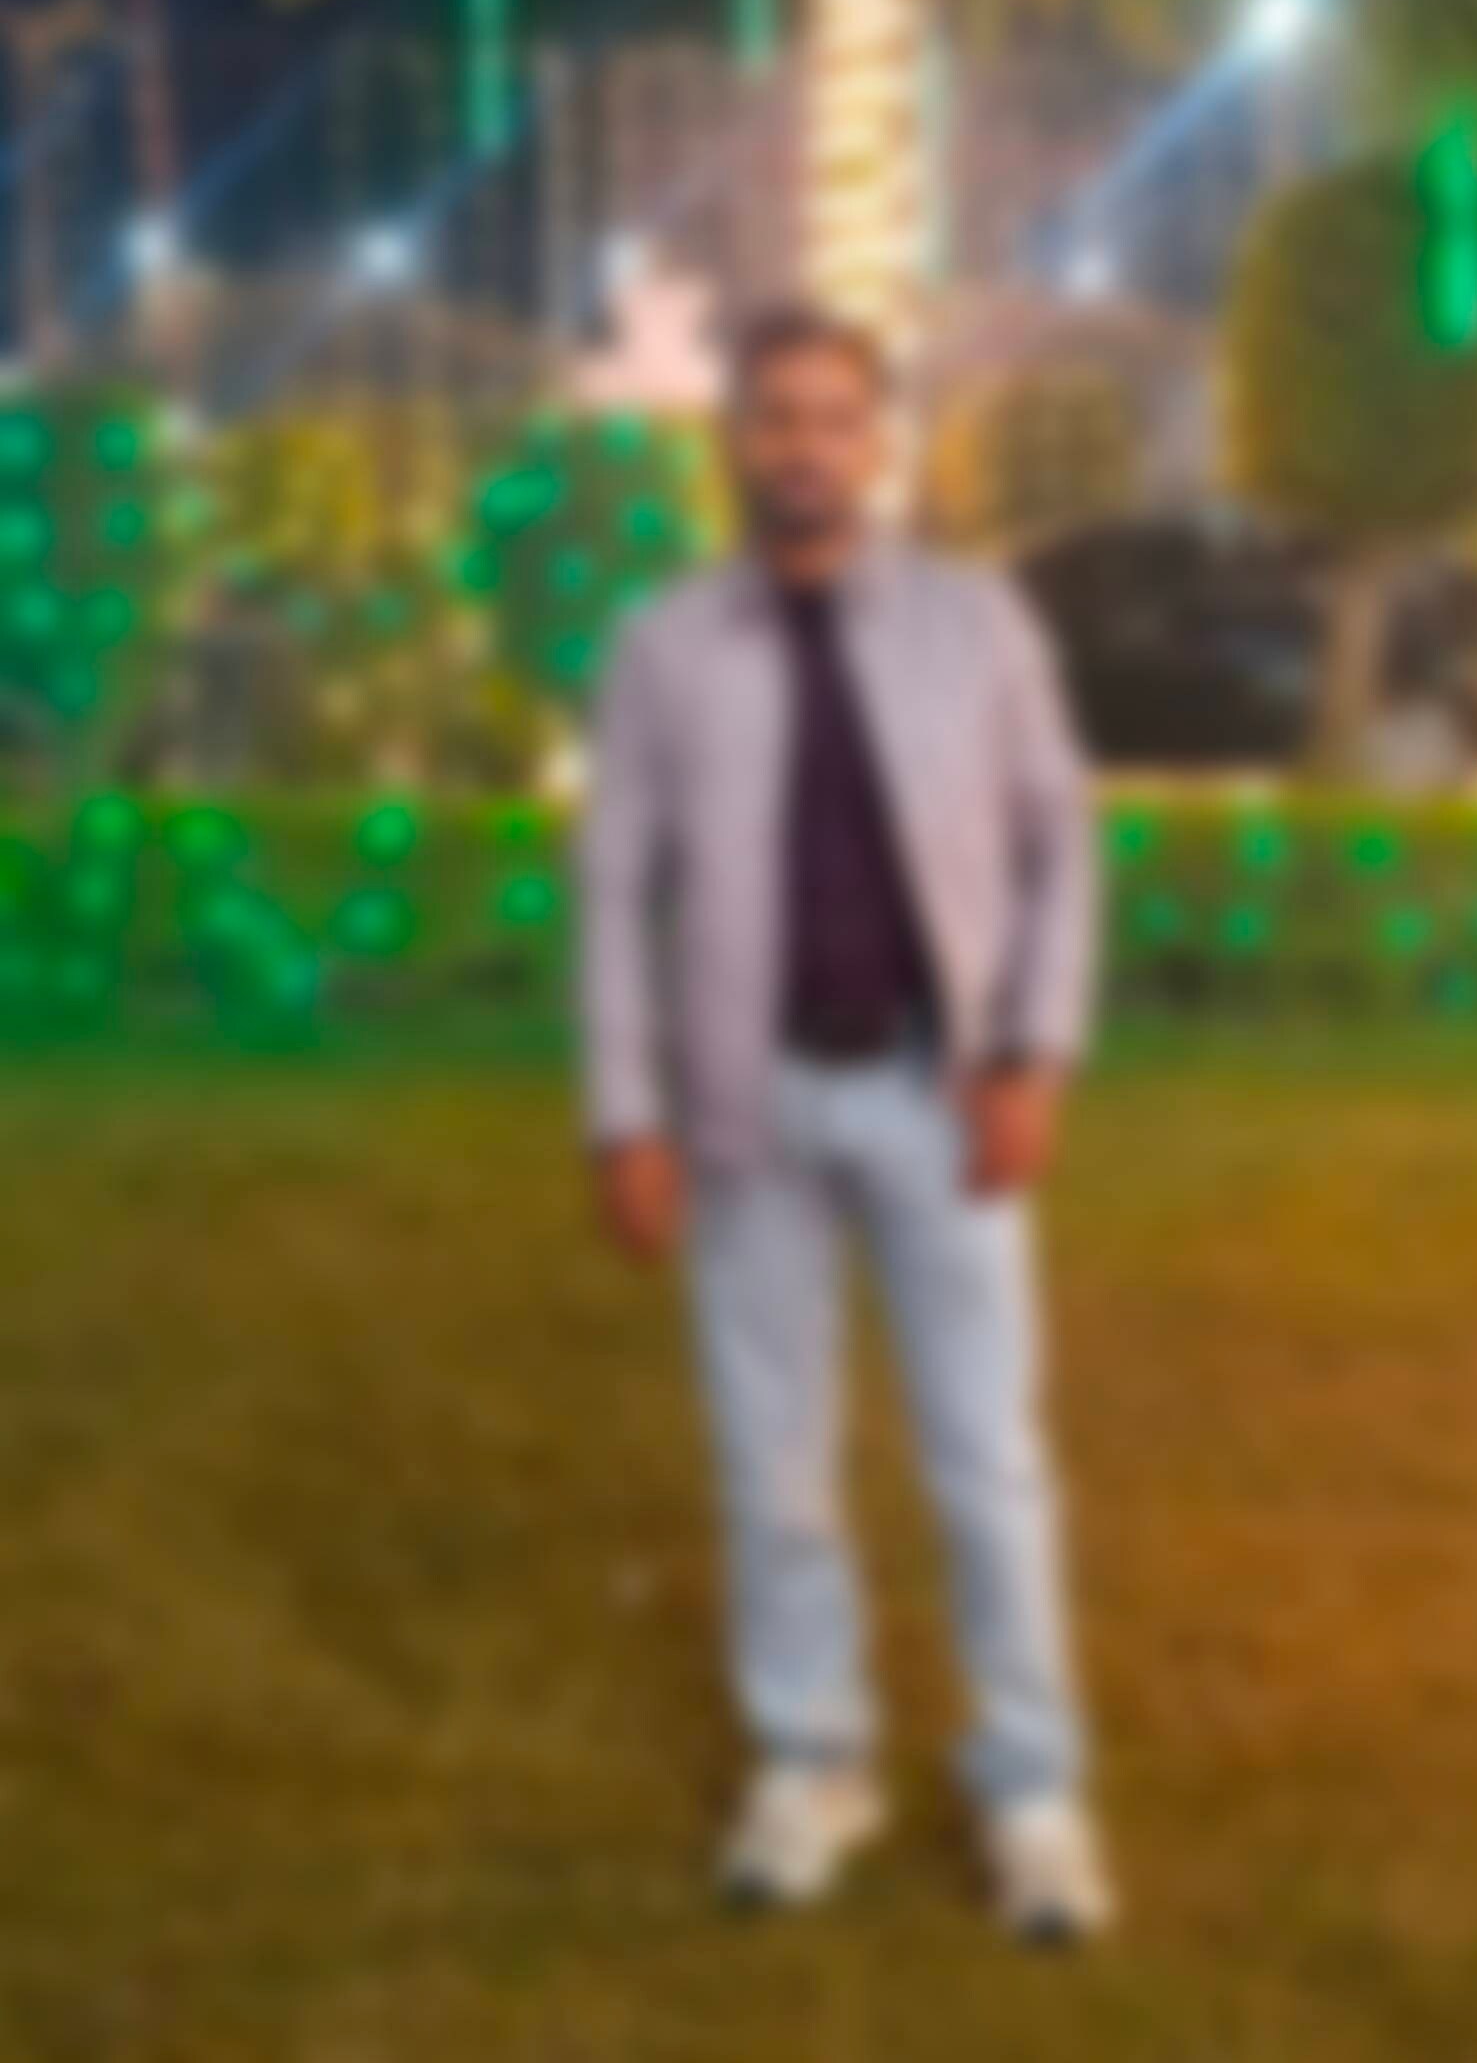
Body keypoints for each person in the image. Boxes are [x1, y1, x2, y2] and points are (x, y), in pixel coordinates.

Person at [578, 304, 1114, 1944]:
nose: (803, 447)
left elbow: (1061, 845)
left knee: (987, 1465)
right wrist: (626, 1112)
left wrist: (1032, 1057)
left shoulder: (976, 624)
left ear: (879, 444)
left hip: (940, 1099)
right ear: (732, 440)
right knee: (774, 1468)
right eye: (775, 417)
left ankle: (1029, 1789)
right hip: (751, 1115)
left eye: (833, 418)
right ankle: (815, 1761)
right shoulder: (665, 646)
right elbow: (611, 890)